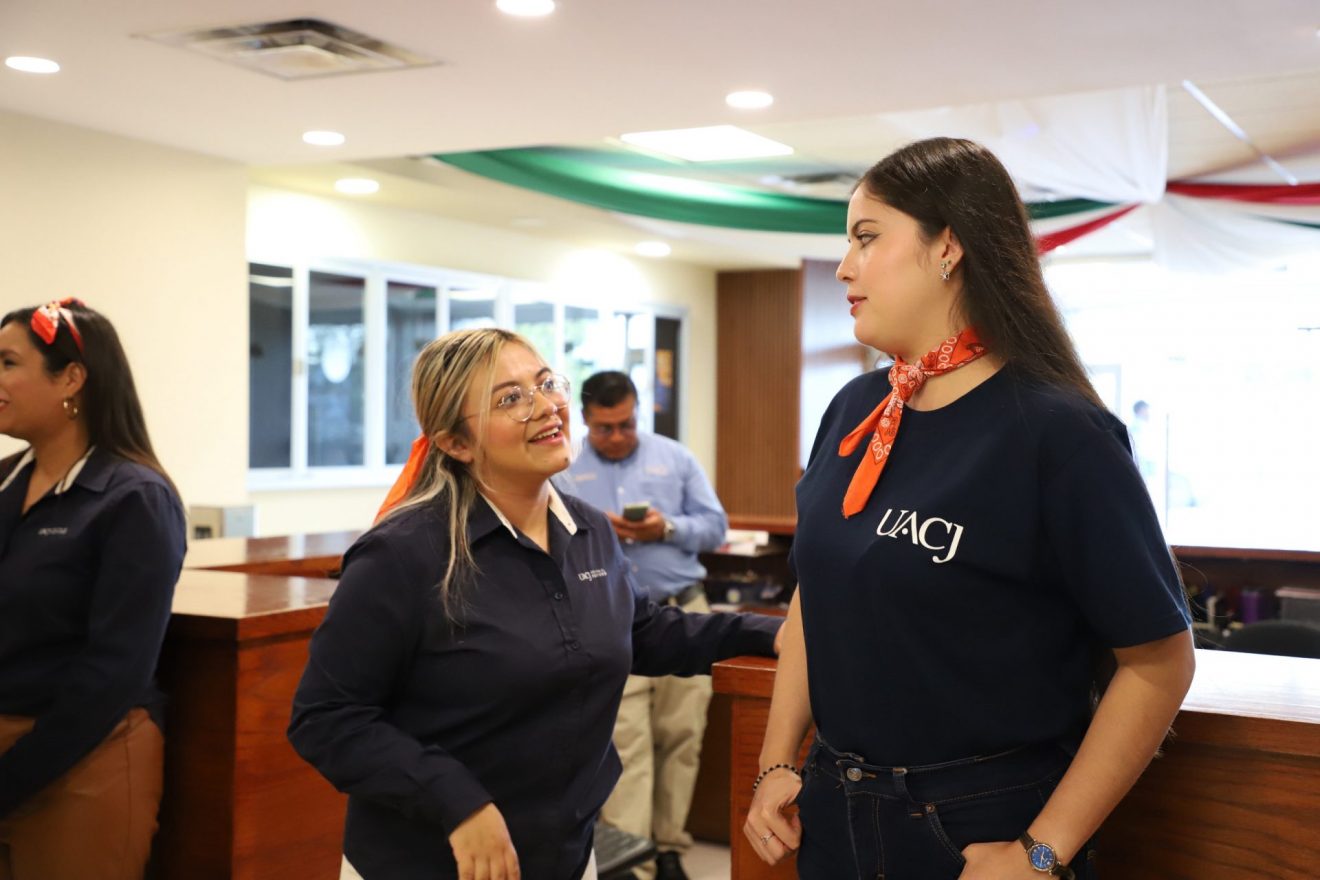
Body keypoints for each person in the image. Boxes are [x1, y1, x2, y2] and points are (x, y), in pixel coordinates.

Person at [744, 138, 1195, 880]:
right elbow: (812, 602)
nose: (845, 266)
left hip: (980, 823)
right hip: (833, 808)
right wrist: (775, 762)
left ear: (948, 247)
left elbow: (1159, 662)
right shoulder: (855, 408)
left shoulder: (1058, 432)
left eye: (866, 237)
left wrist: (1040, 853)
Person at [288, 328, 780, 880]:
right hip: (432, 861)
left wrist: (769, 634)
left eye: (546, 384)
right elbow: (326, 719)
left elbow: (639, 629)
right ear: (456, 443)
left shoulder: (587, 528)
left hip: (566, 853)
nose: (546, 406)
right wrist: (456, 801)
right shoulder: (402, 554)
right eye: (510, 399)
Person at [0, 299, 187, 880]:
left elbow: (116, 669)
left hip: (83, 757)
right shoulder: (6, 481)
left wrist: (12, 777)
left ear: (71, 379)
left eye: (8, 362)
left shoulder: (135, 498)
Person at [564, 371, 727, 880]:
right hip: (611, 623)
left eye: (626, 425)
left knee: (681, 737)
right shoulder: (563, 467)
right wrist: (595, 533)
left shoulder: (675, 458)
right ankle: (635, 863)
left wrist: (666, 527)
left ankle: (670, 848)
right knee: (626, 744)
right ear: (585, 420)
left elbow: (715, 527)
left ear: (638, 413)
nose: (617, 437)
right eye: (604, 428)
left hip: (684, 611)